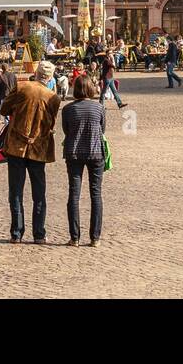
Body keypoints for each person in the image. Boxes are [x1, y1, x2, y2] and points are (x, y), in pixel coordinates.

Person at [0, 61, 61, 243]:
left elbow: (4, 109)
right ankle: (39, 234)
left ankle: (16, 233)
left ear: (36, 72)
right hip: (38, 149)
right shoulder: (53, 98)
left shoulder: (22, 88)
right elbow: (51, 124)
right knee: (39, 193)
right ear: (49, 78)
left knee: (16, 192)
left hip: (16, 146)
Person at [62, 75, 106, 246]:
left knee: (74, 194)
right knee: (96, 194)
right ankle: (95, 237)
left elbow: (66, 130)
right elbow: (102, 129)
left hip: (74, 153)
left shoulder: (68, 109)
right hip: (96, 153)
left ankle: (74, 237)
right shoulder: (99, 108)